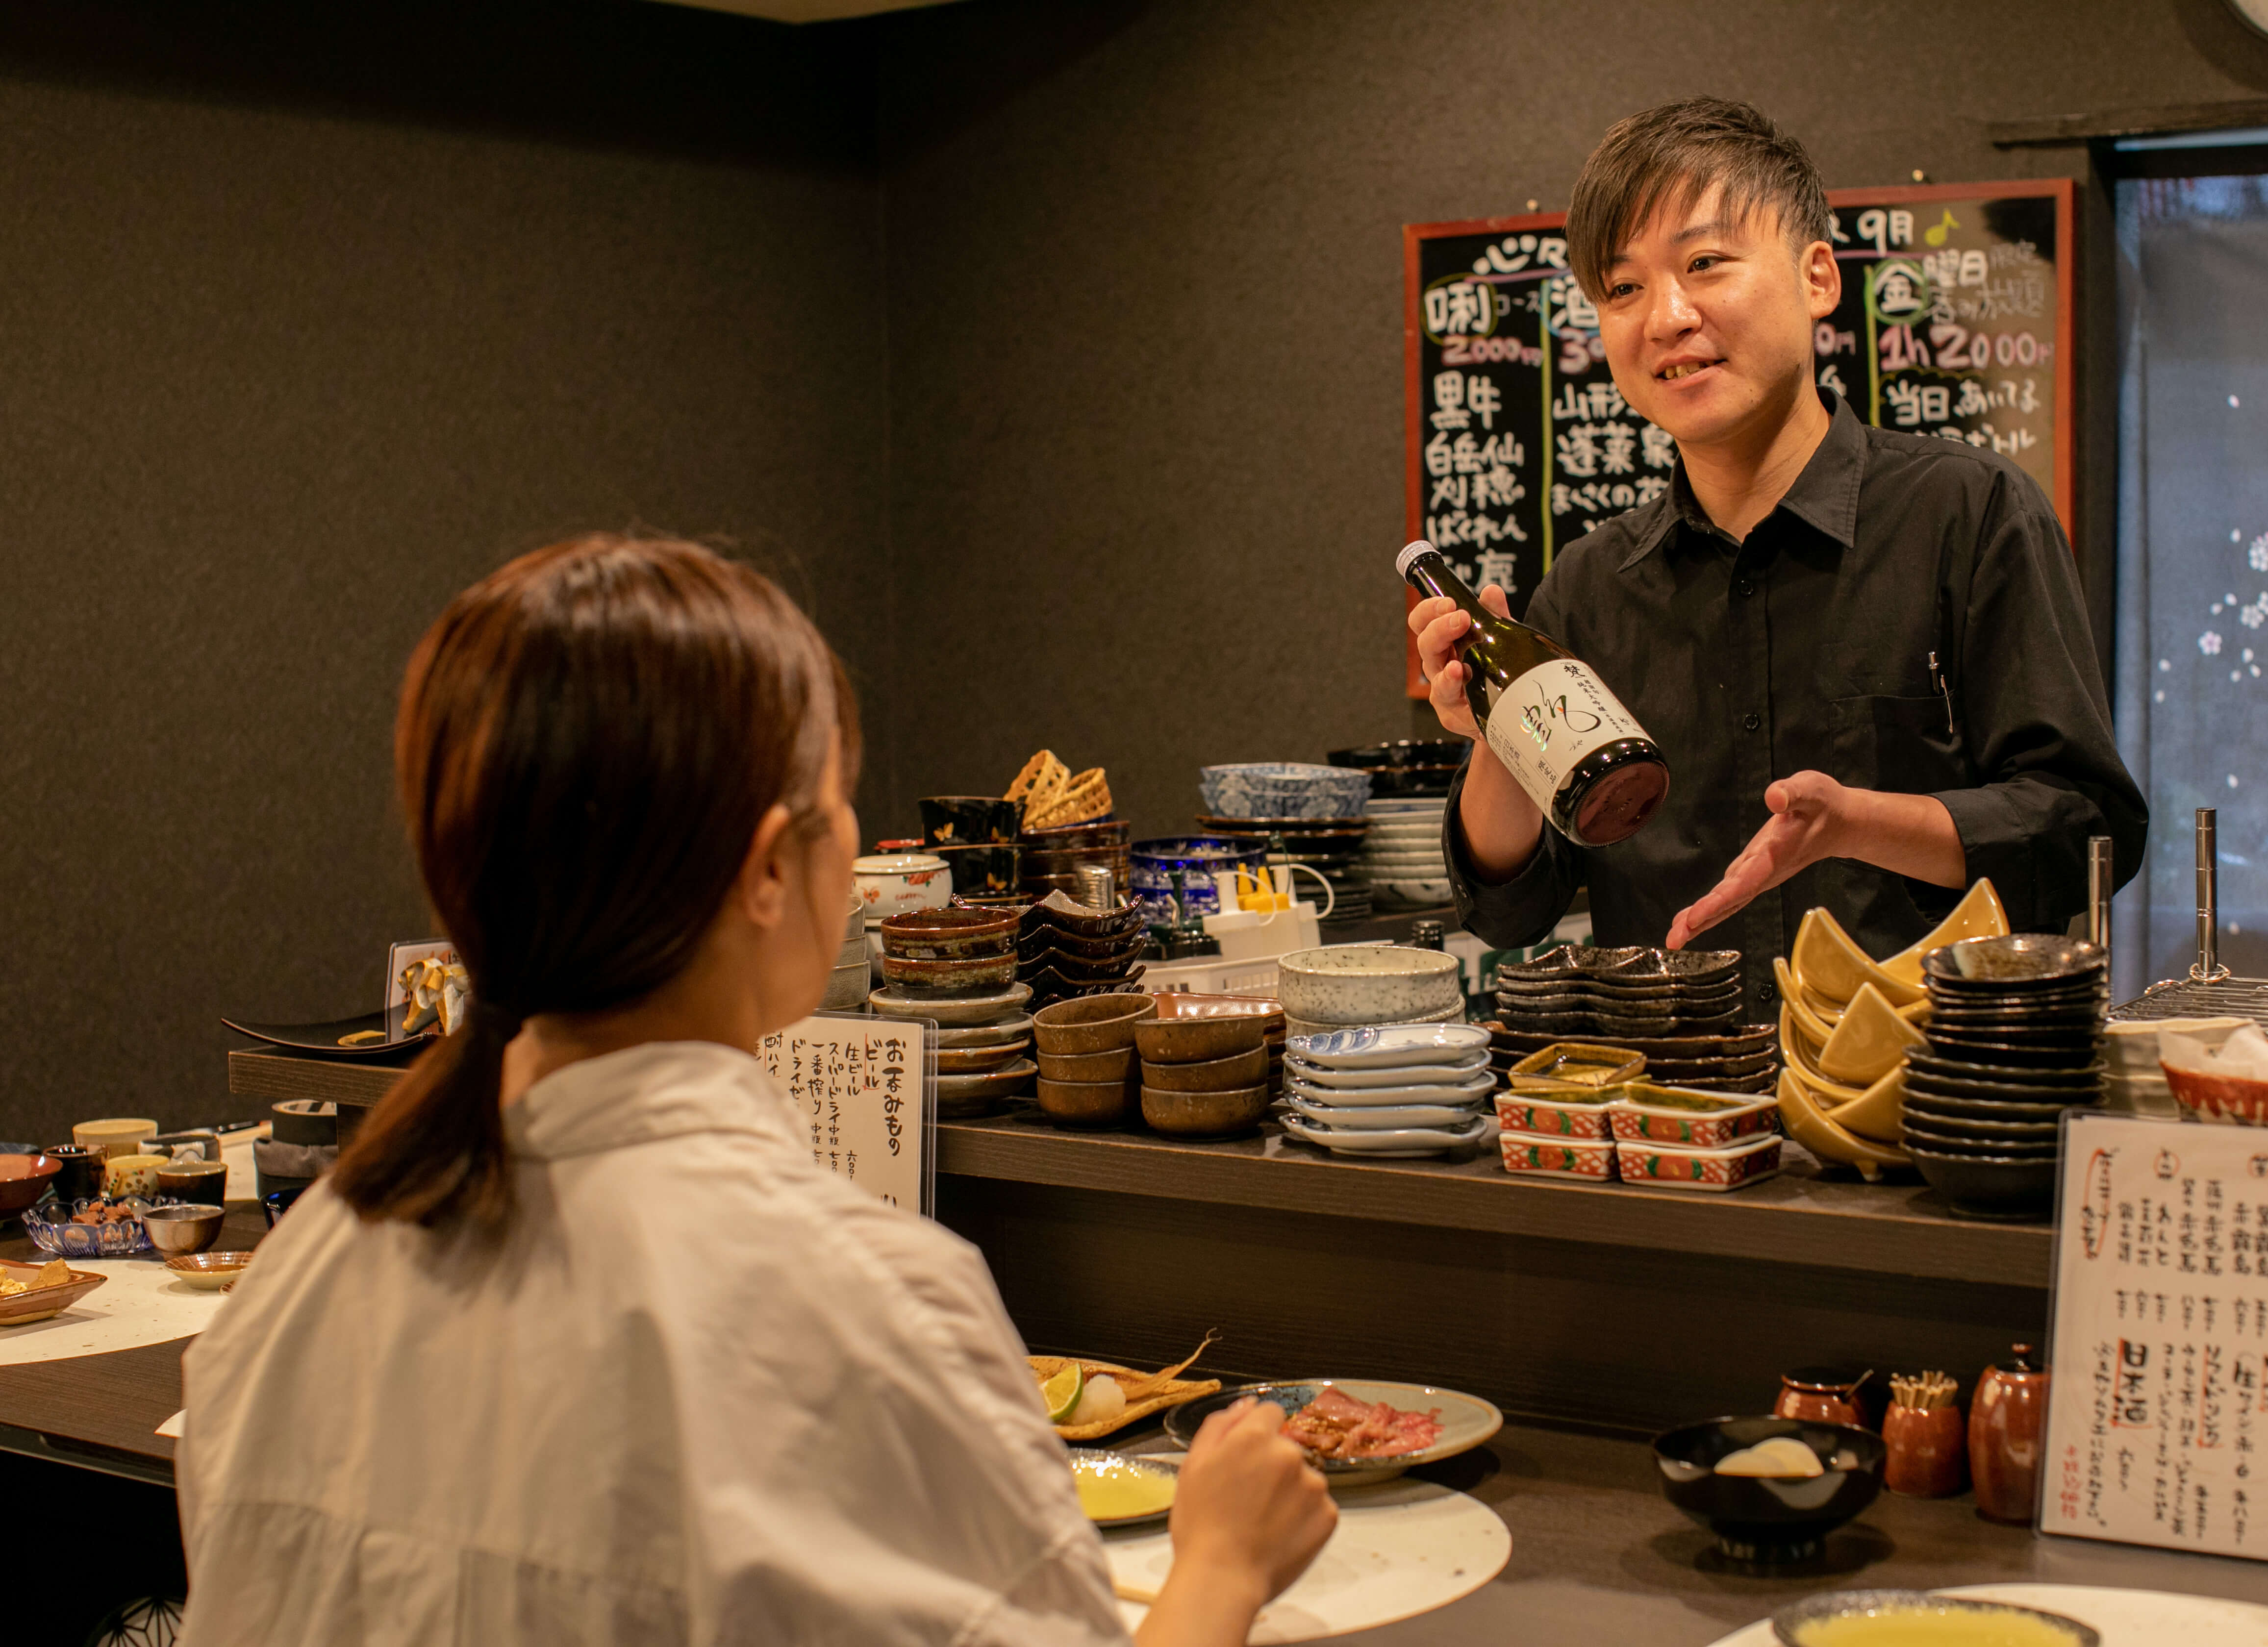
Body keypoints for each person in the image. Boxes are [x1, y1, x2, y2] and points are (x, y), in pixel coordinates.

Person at [177, 535, 1335, 1646]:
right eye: (841, 806)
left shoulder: (300, 1279)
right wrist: (1222, 1564)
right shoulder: (867, 1308)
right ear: (773, 868)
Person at [1411, 99, 2147, 993]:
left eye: (1705, 263)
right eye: (1623, 289)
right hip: (1676, 1102)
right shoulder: (1590, 586)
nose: (1666, 318)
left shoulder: (1972, 512)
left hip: (1928, 1094)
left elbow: (2084, 831)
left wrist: (1856, 824)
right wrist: (1500, 723)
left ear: (1818, 278)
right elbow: (1510, 910)